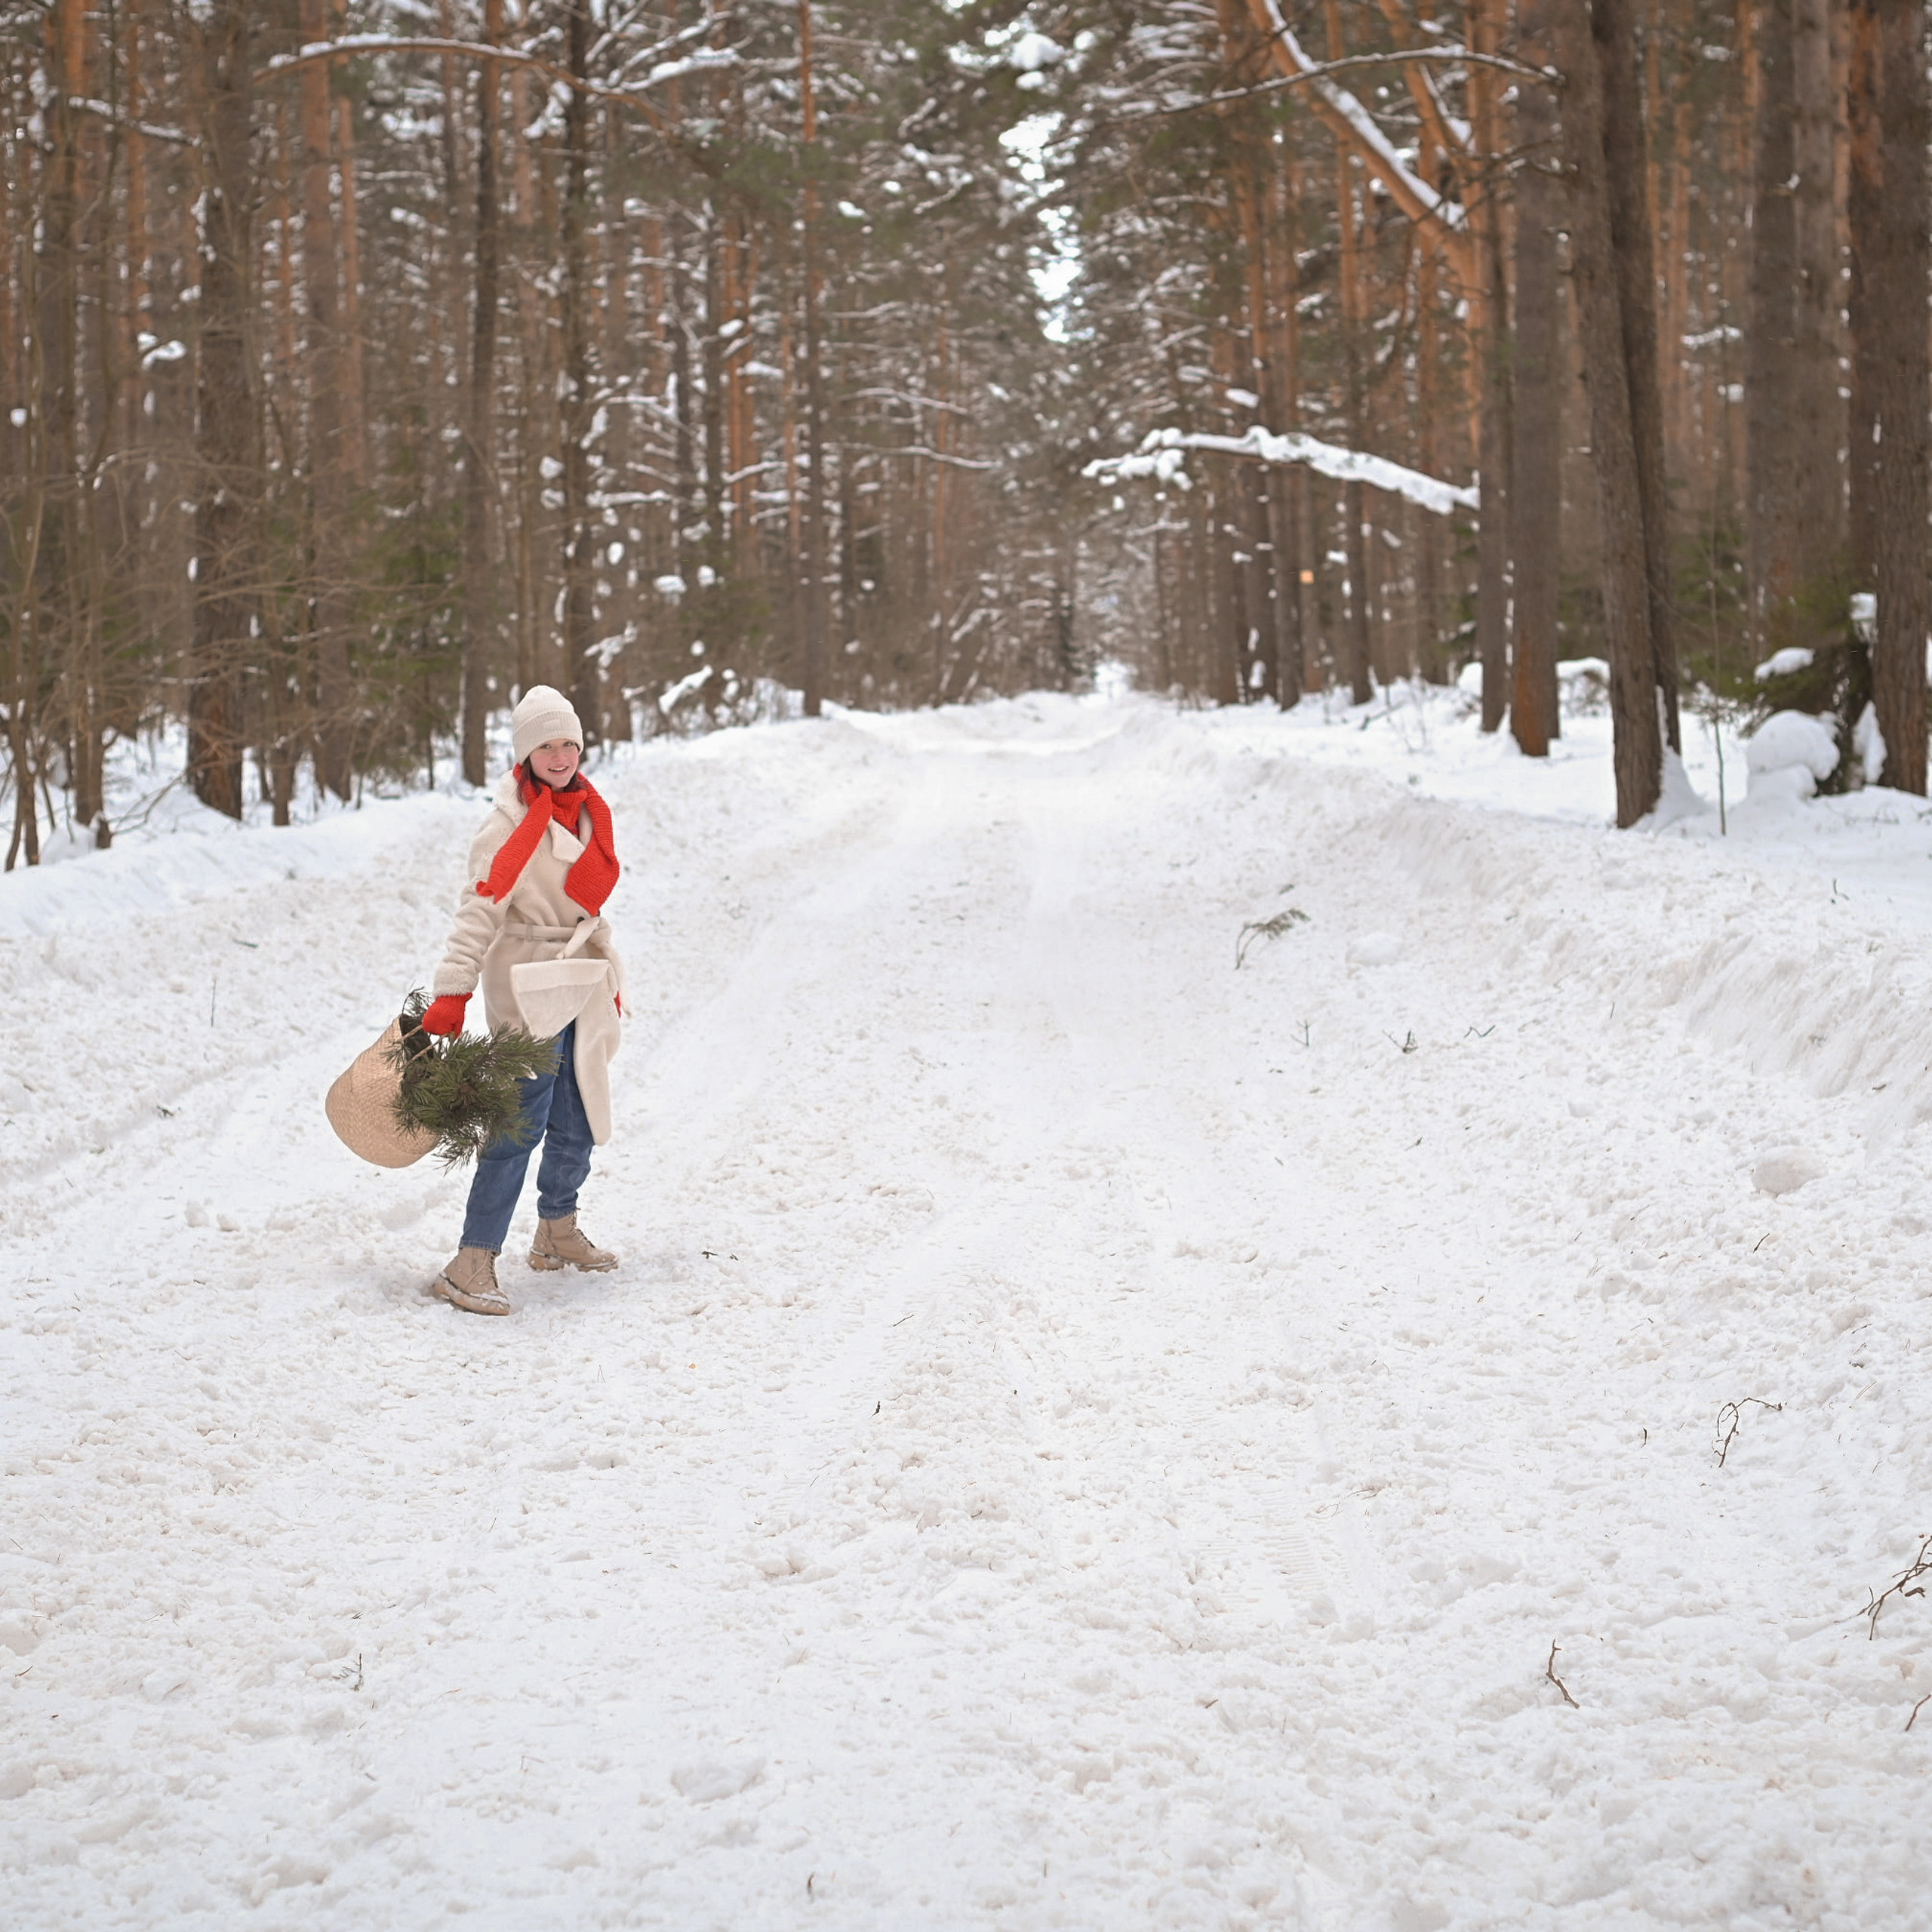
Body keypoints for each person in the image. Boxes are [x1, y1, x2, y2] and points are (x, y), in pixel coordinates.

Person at [422, 685, 626, 1316]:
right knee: (520, 1120)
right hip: (528, 978)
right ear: (526, 753)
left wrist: (606, 975)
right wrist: (453, 990)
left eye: (569, 742)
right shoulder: (508, 825)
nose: (561, 755)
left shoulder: (589, 810)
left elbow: (589, 904)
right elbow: (478, 912)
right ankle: (470, 1260)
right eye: (547, 744)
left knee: (580, 1112)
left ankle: (556, 1229)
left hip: (581, 973)